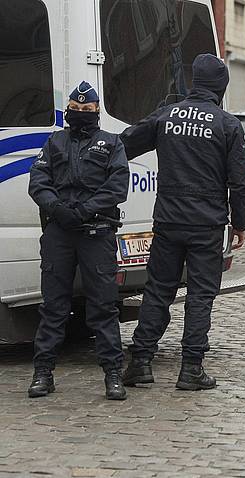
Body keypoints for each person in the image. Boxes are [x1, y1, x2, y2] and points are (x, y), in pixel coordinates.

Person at [119, 54, 245, 390]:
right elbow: (239, 182)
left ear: (194, 81)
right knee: (200, 295)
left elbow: (125, 145)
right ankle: (191, 368)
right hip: (206, 224)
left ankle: (141, 362)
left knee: (158, 291)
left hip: (168, 219)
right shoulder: (227, 124)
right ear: (221, 86)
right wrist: (240, 223)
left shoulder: (167, 115)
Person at [27, 82, 129, 400]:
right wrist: (57, 208)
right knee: (53, 308)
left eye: (87, 110)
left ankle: (113, 374)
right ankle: (43, 373)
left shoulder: (111, 144)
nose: (81, 114)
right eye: (76, 108)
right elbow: (38, 181)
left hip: (96, 232)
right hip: (60, 232)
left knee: (103, 307)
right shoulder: (54, 142)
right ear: (68, 110)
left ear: (97, 112)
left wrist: (85, 210)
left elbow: (117, 187)